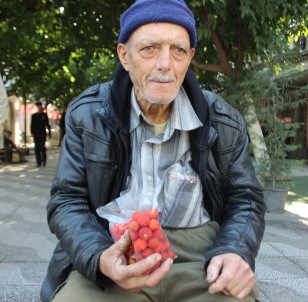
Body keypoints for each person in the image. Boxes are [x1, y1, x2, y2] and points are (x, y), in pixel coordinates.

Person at [41, 1, 266, 301]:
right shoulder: (88, 115)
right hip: (115, 247)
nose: (165, 64)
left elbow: (246, 198)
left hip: (201, 257)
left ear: (190, 58)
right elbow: (67, 200)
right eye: (149, 48)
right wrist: (98, 256)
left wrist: (235, 250)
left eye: (178, 50)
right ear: (125, 55)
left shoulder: (224, 120)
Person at [30, 101, 51, 167]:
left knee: (42, 147)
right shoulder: (34, 116)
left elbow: (47, 124)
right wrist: (32, 132)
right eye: (38, 106)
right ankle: (38, 162)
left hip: (42, 133)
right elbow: (32, 125)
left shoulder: (44, 115)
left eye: (40, 105)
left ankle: (44, 161)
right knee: (37, 148)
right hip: (36, 133)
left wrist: (49, 133)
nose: (39, 107)